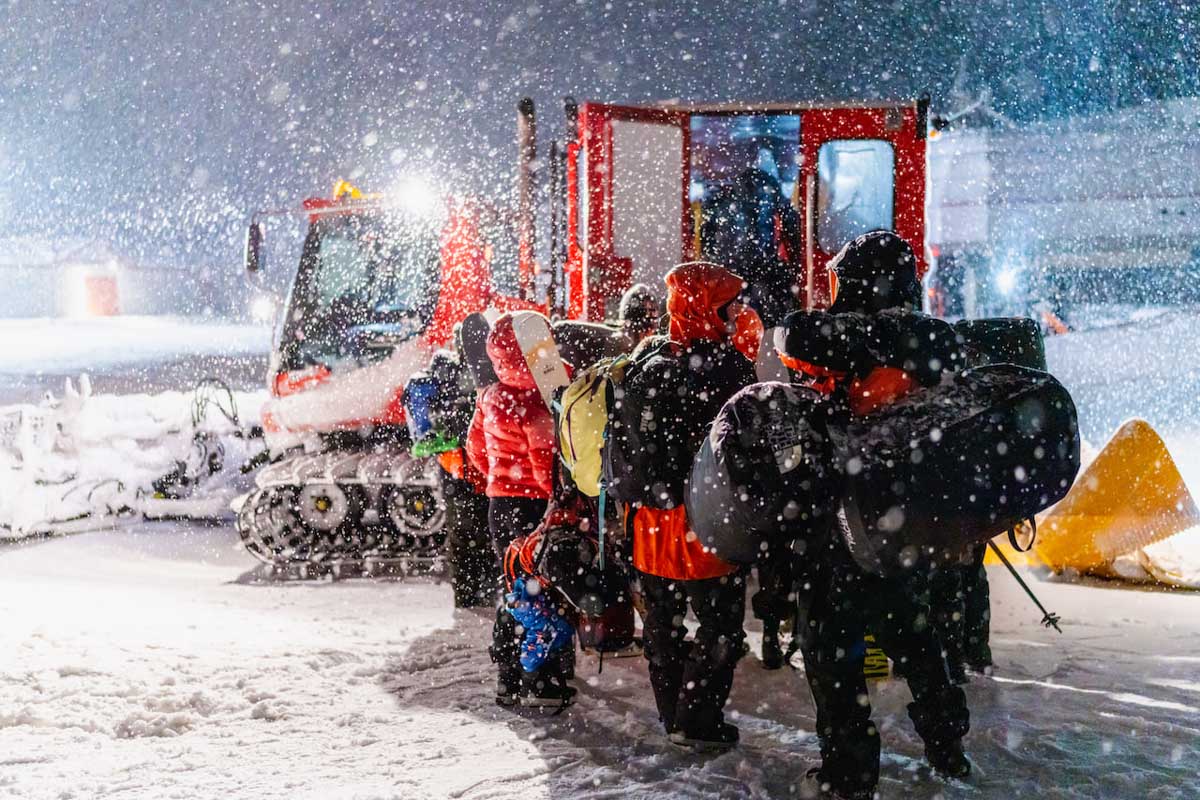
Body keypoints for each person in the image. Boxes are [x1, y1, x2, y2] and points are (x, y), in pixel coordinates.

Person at [777, 231, 972, 800]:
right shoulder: (938, 339)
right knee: (917, 644)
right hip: (905, 528)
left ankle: (849, 775)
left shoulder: (846, 336)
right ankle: (948, 744)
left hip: (838, 528)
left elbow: (797, 331)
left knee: (834, 661)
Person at [623, 261, 760, 750]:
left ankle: (672, 715)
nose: (735, 314)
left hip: (651, 527)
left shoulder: (646, 364)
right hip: (707, 524)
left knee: (663, 625)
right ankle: (697, 718)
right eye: (727, 306)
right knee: (720, 625)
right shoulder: (729, 369)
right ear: (706, 308)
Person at [465, 311, 565, 707]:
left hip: (501, 505)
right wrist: (558, 500)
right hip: (535, 507)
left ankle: (507, 673)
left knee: (515, 590)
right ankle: (540, 679)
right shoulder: (540, 401)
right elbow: (545, 468)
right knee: (544, 592)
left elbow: (475, 452)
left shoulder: (490, 396)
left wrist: (499, 478)